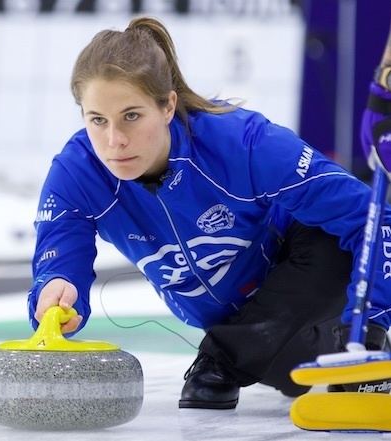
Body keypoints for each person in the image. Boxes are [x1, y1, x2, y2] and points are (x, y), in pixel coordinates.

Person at [28, 16, 391, 409]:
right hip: (239, 325)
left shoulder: (243, 142)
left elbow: (371, 217)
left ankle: (232, 356)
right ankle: (268, 351)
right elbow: (60, 256)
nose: (114, 140)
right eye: (97, 120)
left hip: (307, 267)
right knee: (291, 371)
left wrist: (373, 324)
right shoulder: (75, 174)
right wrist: (55, 289)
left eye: (132, 116)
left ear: (167, 105)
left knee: (327, 242)